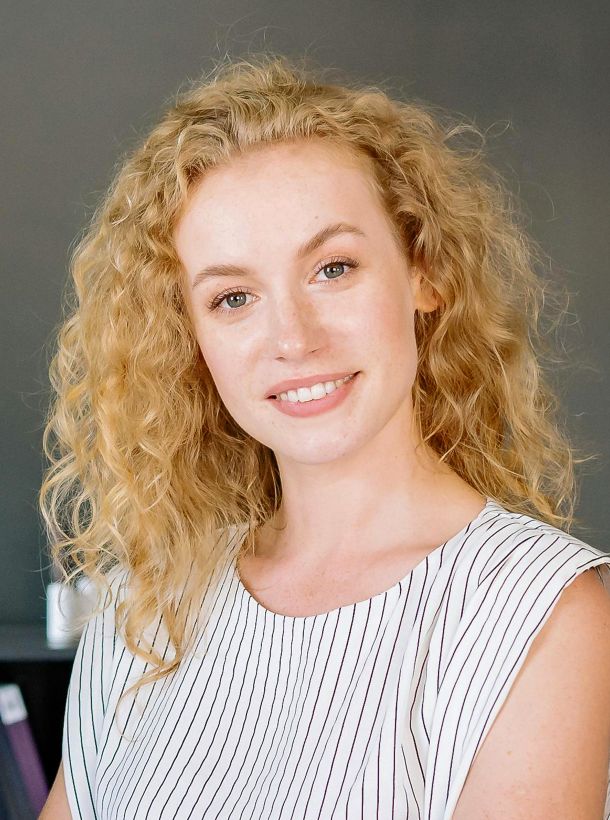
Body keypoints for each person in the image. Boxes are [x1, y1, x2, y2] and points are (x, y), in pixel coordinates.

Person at [39, 53, 610, 819]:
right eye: (233, 297)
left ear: (424, 273)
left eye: (333, 269)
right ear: (190, 339)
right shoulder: (145, 608)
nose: (294, 339)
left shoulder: (539, 613)